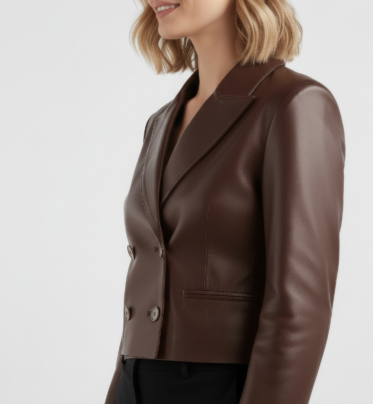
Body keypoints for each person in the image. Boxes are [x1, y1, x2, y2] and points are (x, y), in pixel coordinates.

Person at [105, 0, 346, 403]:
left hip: (219, 387)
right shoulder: (161, 123)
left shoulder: (294, 103)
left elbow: (299, 308)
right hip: (135, 381)